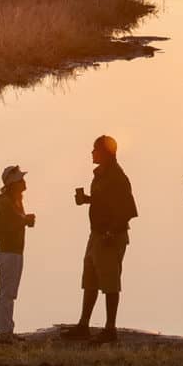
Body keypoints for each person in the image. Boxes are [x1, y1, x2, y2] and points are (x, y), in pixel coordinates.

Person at [62, 134, 138, 343]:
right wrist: (87, 199)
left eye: (95, 149)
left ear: (106, 153)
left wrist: (111, 233)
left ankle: (110, 329)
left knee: (110, 282)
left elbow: (129, 210)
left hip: (109, 237)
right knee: (90, 279)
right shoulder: (101, 175)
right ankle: (84, 325)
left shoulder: (118, 177)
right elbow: (104, 201)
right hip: (96, 234)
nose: (92, 152)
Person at [0, 164, 36, 344]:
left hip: (15, 251)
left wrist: (24, 222)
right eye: (20, 180)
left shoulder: (14, 200)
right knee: (7, 293)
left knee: (10, 293)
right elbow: (1, 228)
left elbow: (14, 222)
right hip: (8, 252)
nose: (24, 182)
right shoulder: (5, 202)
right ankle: (4, 333)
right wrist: (23, 221)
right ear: (13, 184)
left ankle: (8, 330)